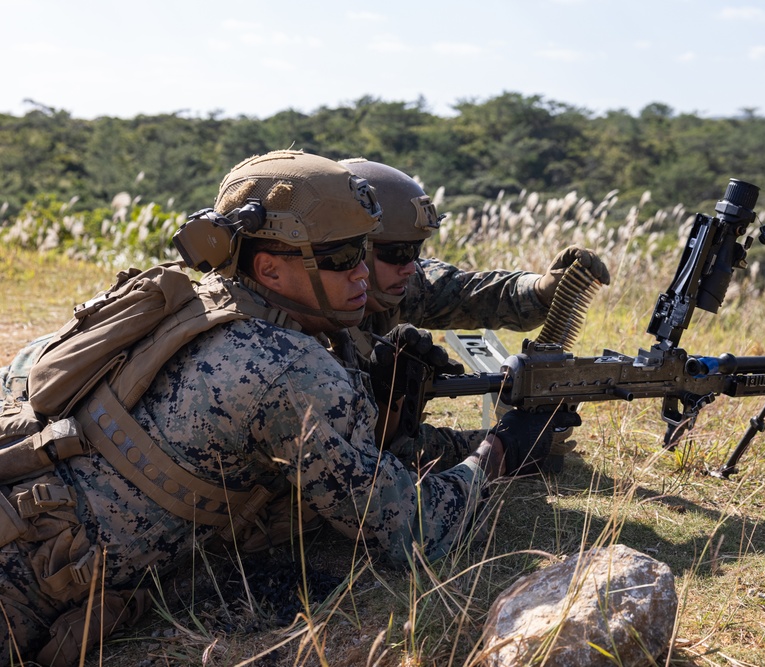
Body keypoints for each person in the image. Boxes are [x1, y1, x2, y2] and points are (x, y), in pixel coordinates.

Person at [0, 150, 574, 666]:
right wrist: (499, 449)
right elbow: (417, 531)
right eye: (343, 256)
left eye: (365, 252)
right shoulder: (288, 367)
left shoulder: (190, 300)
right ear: (269, 266)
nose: (361, 272)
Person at [338, 158, 610, 470]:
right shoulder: (301, 329)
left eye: (415, 251)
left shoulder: (395, 280)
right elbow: (375, 456)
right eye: (397, 253)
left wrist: (540, 289)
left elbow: (465, 292)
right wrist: (505, 445)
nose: (410, 266)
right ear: (351, 248)